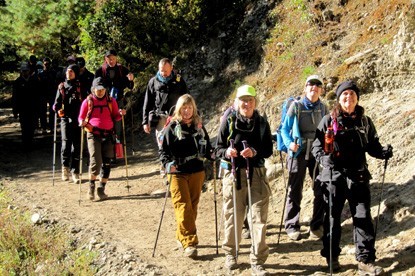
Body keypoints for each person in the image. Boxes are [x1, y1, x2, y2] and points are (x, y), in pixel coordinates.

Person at [311, 80, 393, 274]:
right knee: (332, 219)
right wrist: (323, 158)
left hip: (358, 176)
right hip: (333, 176)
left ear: (357, 98)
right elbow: (316, 146)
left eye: (352, 95)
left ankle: (365, 260)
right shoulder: (328, 120)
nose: (349, 98)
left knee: (363, 217)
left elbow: (372, 145)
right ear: (339, 99)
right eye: (344, 95)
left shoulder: (365, 121)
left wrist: (383, 152)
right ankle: (332, 258)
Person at [214, 85, 273, 276]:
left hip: (256, 173)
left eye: (250, 100)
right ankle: (231, 254)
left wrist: (255, 152)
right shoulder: (229, 121)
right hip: (233, 174)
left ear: (255, 102)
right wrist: (227, 152)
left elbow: (268, 149)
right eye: (243, 100)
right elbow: (217, 149)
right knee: (233, 216)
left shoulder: (262, 122)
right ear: (237, 102)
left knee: (259, 218)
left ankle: (257, 260)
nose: (246, 104)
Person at [159, 94, 212, 258]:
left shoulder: (198, 127)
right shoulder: (171, 128)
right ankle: (189, 242)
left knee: (192, 207)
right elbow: (163, 152)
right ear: (178, 109)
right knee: (183, 206)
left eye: (189, 108)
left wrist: (213, 154)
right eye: (184, 108)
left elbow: (208, 147)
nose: (187, 111)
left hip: (197, 170)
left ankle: (181, 235)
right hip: (177, 173)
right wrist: (168, 164)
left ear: (193, 108)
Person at [280, 75, 328, 241]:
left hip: (317, 151)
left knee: (321, 187)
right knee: (295, 189)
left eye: (317, 85)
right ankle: (292, 225)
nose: (314, 87)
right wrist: (289, 144)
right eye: (310, 84)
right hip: (298, 151)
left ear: (321, 89)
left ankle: (316, 225)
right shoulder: (297, 106)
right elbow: (285, 129)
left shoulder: (323, 107)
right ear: (305, 88)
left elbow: (329, 128)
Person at [79, 77, 126, 201]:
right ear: (93, 90)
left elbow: (115, 116)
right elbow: (81, 117)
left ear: (105, 89)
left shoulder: (111, 101)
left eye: (102, 89)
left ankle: (101, 189)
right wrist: (81, 122)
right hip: (93, 134)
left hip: (109, 135)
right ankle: (91, 187)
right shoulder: (88, 101)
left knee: (107, 162)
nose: (100, 92)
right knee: (96, 161)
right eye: (97, 90)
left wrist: (120, 114)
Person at [94, 50, 134, 150]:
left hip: (118, 100)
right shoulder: (100, 71)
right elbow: (94, 88)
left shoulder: (122, 70)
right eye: (109, 59)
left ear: (116, 58)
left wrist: (131, 80)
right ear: (105, 59)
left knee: (117, 126)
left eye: (113, 59)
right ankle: (108, 151)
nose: (111, 61)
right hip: (104, 102)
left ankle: (117, 150)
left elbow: (130, 87)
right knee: (106, 125)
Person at [142, 58, 188, 141]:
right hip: (161, 118)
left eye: (166, 71)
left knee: (177, 142)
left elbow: (186, 100)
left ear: (171, 68)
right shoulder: (153, 82)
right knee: (162, 143)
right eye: (161, 70)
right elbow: (147, 103)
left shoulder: (179, 81)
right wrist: (145, 122)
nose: (163, 73)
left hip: (176, 117)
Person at [53, 64, 82, 184]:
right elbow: (56, 104)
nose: (68, 74)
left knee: (76, 145)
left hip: (78, 119)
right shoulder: (61, 86)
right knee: (65, 144)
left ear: (75, 73)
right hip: (65, 119)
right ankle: (64, 169)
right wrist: (57, 109)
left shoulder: (79, 86)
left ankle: (75, 171)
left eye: (71, 72)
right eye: (67, 72)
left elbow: (86, 101)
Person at [12, 62, 39, 151]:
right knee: (24, 127)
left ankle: (30, 142)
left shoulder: (34, 81)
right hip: (22, 109)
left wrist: (38, 109)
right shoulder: (17, 82)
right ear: (21, 71)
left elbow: (37, 96)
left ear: (29, 71)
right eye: (23, 71)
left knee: (31, 127)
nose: (25, 72)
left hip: (32, 108)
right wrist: (15, 111)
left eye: (26, 71)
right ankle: (25, 144)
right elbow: (15, 97)